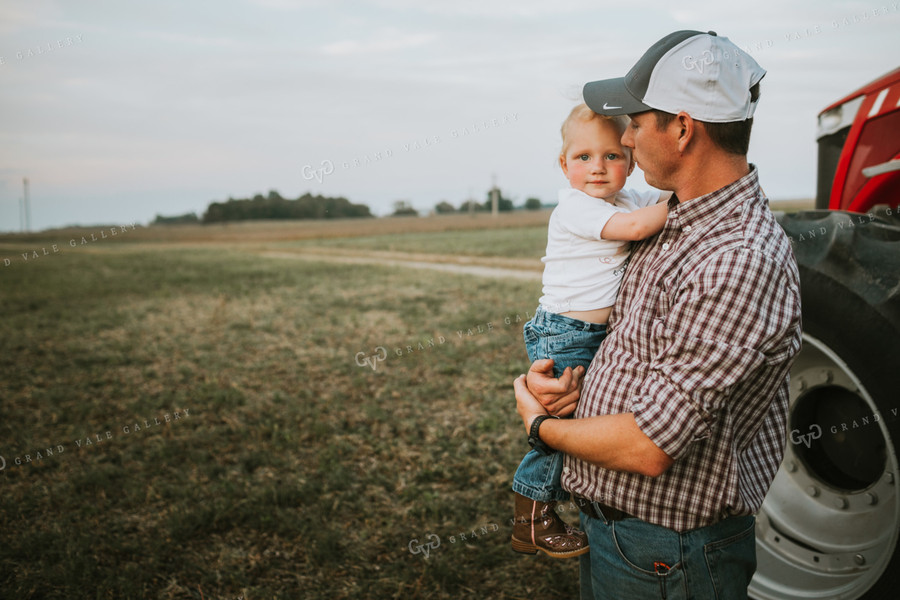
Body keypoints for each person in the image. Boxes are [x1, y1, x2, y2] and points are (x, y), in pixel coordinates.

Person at [513, 30, 802, 599]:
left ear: (683, 127)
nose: (624, 137)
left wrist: (542, 428)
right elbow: (634, 350)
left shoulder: (736, 260)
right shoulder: (675, 220)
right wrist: (573, 392)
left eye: (635, 122)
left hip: (665, 552)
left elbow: (650, 444)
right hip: (620, 534)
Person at [511, 104, 670, 559]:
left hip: (588, 333)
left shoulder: (626, 198)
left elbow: (653, 202)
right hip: (565, 331)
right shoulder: (575, 208)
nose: (597, 167)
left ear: (631, 161)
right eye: (583, 157)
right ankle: (532, 516)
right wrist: (687, 202)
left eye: (612, 156)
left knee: (582, 417)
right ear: (564, 166)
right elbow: (641, 226)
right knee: (560, 422)